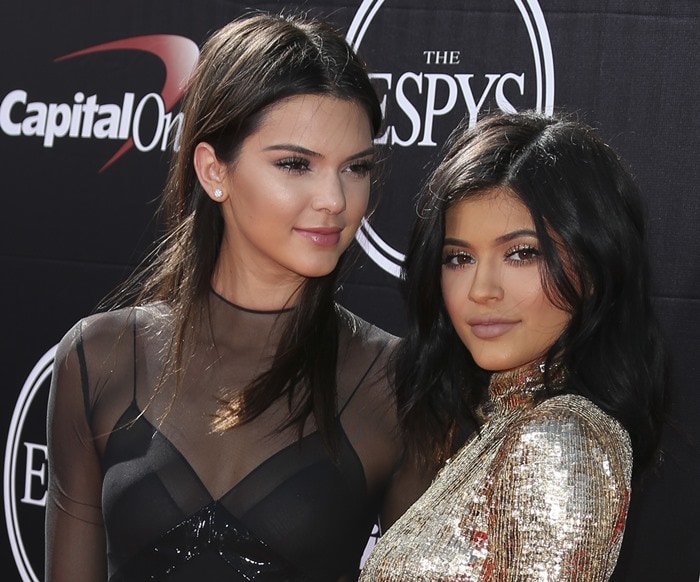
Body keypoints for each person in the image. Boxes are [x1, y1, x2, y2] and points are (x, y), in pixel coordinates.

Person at [46, 13, 414, 582]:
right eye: (296, 164)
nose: (335, 199)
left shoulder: (395, 383)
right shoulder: (100, 357)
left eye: (356, 168)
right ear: (214, 170)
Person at [360, 111, 667, 580]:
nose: (482, 289)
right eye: (459, 258)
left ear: (592, 263)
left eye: (522, 253)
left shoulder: (557, 441)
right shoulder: (507, 420)